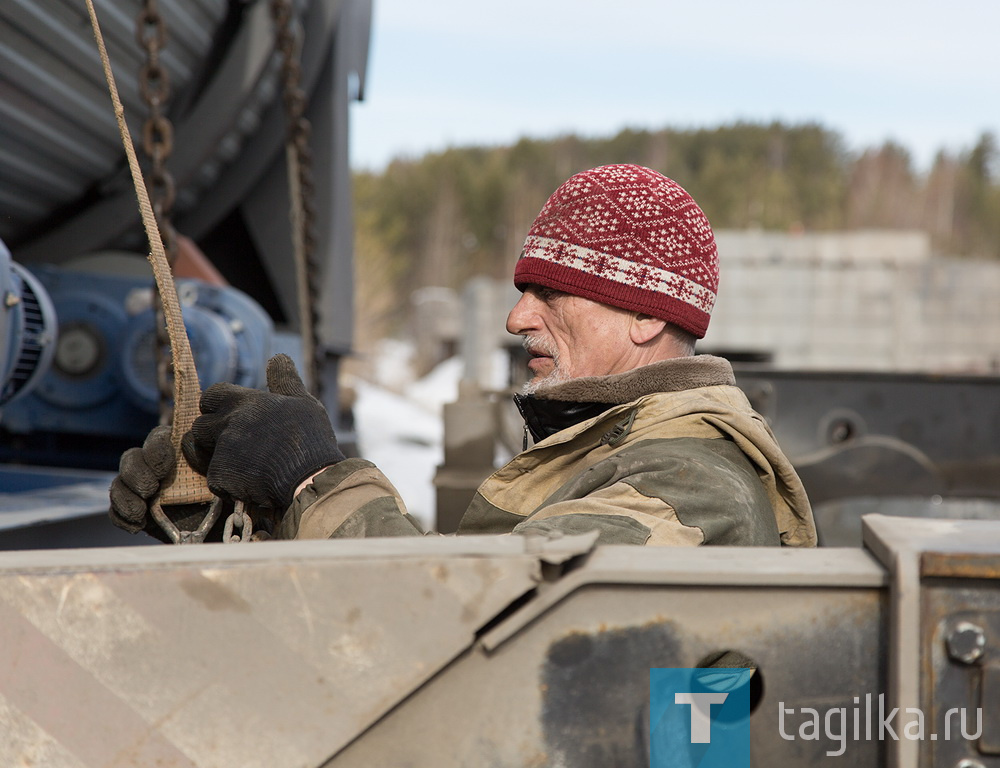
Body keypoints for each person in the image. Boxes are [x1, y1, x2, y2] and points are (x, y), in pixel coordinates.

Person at [110, 164, 816, 547]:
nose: (516, 318)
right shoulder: (614, 451)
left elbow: (467, 621)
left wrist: (309, 480)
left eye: (551, 293)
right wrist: (238, 514)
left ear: (642, 316)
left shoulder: (691, 484)